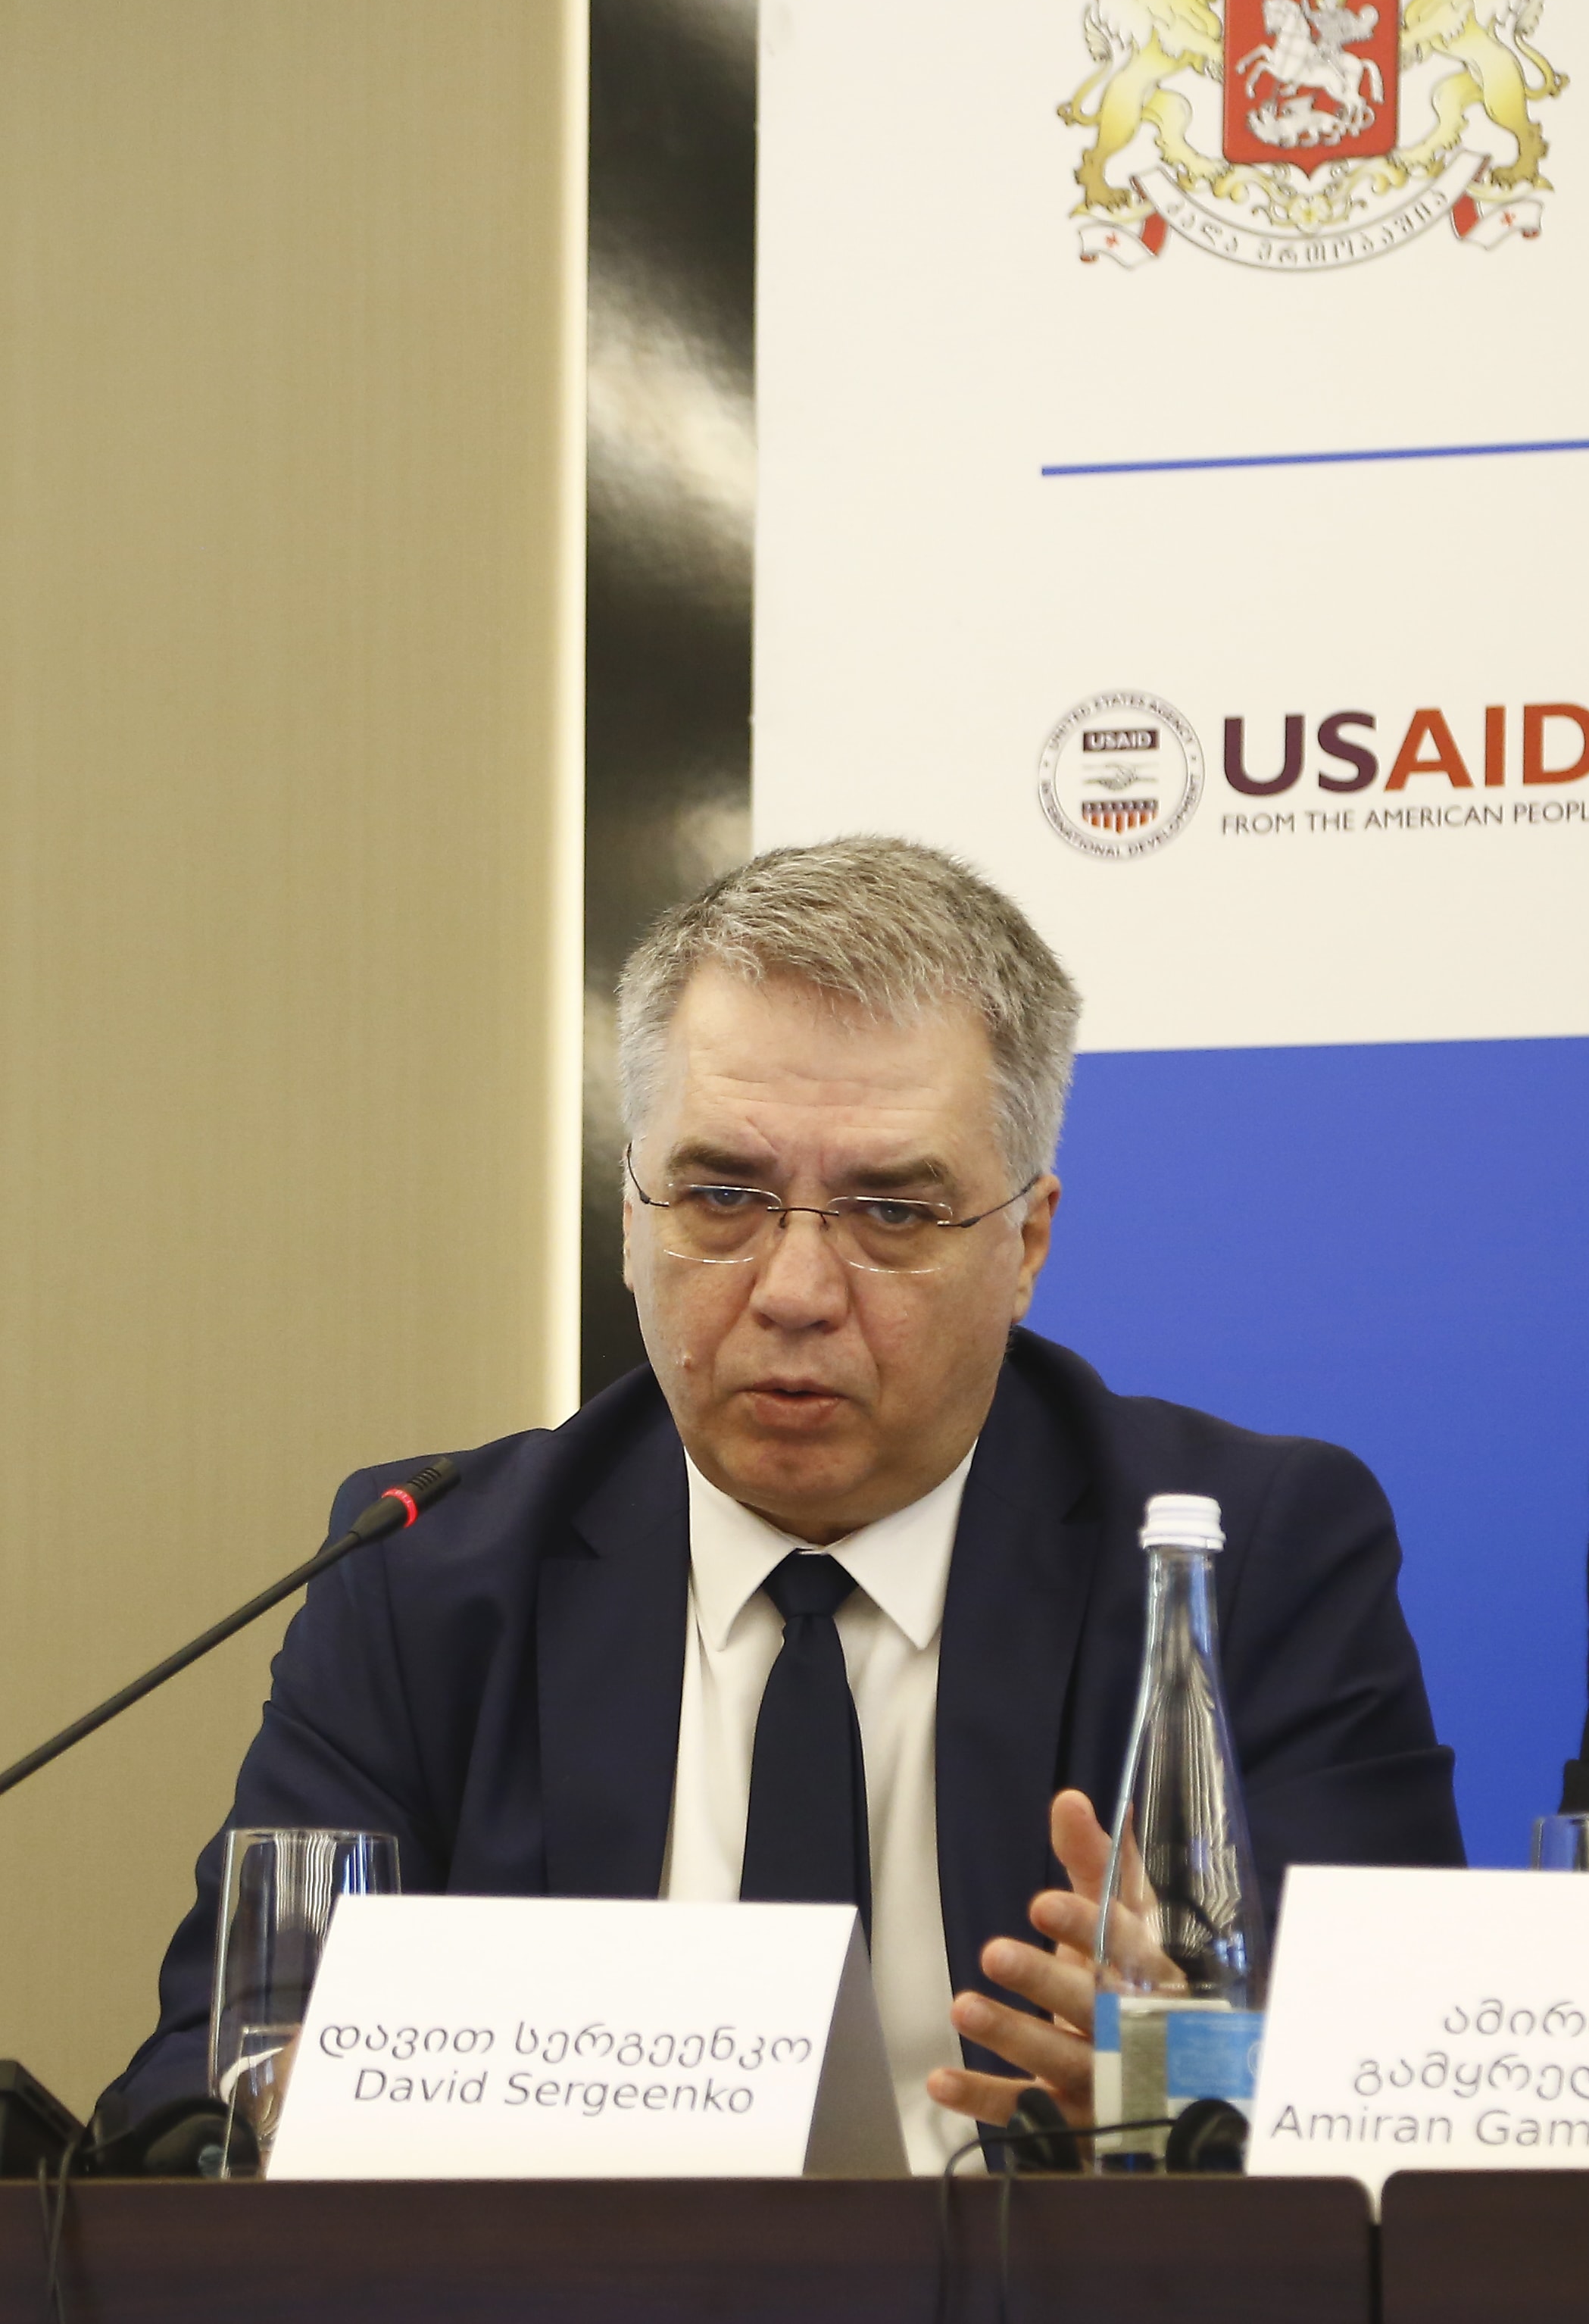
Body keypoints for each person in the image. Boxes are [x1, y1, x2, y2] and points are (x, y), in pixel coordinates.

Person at [105, 836, 1463, 2169]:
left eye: (890, 1213)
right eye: (721, 1196)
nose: (796, 1290)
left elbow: (1391, 2092)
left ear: (1026, 1243)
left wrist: (1185, 2090)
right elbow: (202, 2078)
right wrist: (314, 2102)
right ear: (630, 1219)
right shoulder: (425, 1572)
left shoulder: (1246, 1555)